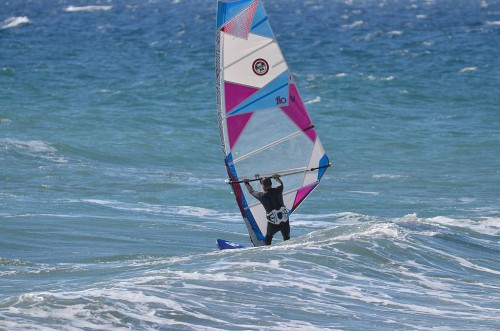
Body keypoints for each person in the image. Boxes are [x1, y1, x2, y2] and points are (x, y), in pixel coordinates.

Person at [243, 174, 290, 245]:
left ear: (262, 186)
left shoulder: (261, 195)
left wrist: (246, 183)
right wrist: (277, 178)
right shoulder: (279, 190)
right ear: (271, 184)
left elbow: (251, 191)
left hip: (273, 224)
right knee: (287, 240)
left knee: (268, 241)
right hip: (285, 221)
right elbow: (280, 184)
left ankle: (267, 253)